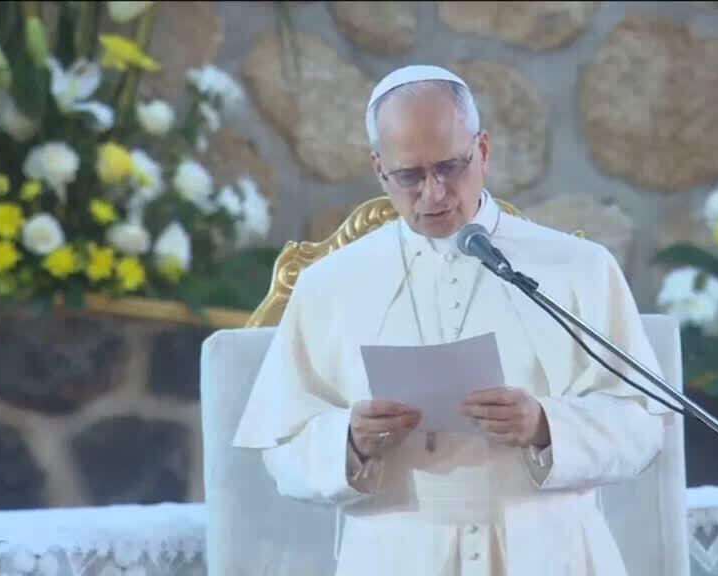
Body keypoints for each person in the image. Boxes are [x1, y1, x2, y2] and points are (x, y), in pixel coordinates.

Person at [233, 65, 674, 576]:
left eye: (450, 168)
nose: (434, 194)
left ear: (482, 151)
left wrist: (544, 425)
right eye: (409, 176)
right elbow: (282, 451)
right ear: (379, 169)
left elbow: (642, 425)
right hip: (396, 557)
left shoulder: (579, 268)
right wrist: (349, 439)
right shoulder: (328, 286)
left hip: (551, 553)